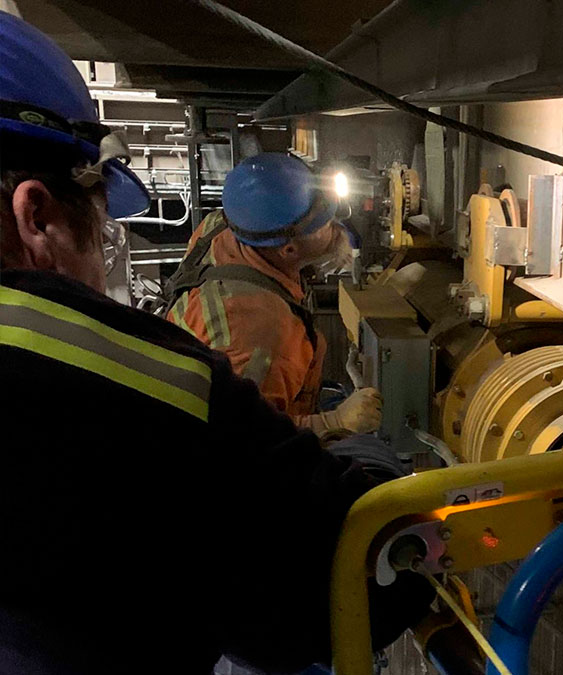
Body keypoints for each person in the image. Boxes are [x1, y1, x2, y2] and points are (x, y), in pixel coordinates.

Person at [0, 12, 429, 675]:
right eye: (101, 228)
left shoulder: (218, 231)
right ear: (38, 218)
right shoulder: (204, 361)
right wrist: (345, 432)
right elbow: (347, 571)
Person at [166, 152, 381, 436]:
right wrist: (334, 422)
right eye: (325, 224)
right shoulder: (264, 333)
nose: (339, 221)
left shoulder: (222, 226)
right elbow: (245, 441)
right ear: (288, 249)